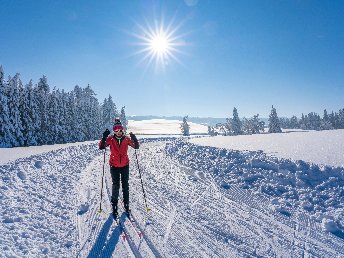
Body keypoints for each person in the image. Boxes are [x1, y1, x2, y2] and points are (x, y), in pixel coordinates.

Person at [99, 118, 139, 219]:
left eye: (120, 130)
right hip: (114, 166)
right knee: (116, 185)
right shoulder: (110, 139)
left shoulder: (126, 139)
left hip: (125, 165)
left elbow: (136, 146)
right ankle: (114, 206)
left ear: (122, 130)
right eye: (116, 131)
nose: (118, 132)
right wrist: (104, 137)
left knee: (125, 185)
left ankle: (126, 205)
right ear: (114, 131)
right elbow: (101, 147)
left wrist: (134, 138)